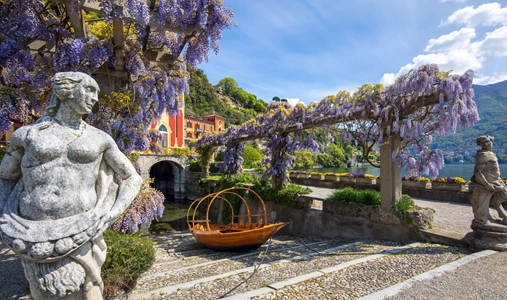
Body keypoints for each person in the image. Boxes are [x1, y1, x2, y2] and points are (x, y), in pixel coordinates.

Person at [0, 72, 142, 299]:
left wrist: (112, 213)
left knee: (89, 291)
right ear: (65, 90)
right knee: (43, 292)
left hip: (84, 229)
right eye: (89, 90)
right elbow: (5, 177)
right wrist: (3, 216)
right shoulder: (25, 135)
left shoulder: (100, 138)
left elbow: (132, 177)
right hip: (30, 232)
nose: (95, 98)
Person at [469, 135, 507, 226]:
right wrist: (486, 184)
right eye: (484, 143)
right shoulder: (483, 154)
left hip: (496, 181)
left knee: (504, 194)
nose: (487, 144)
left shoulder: (491, 153)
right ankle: (483, 220)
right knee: (482, 204)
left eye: (488, 141)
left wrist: (499, 180)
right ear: (481, 144)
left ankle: (498, 208)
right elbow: (477, 171)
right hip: (486, 182)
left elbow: (493, 170)